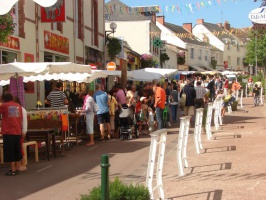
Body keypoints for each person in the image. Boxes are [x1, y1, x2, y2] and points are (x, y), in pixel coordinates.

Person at [0, 92, 23, 176]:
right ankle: (17, 168)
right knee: (17, 150)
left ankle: (12, 169)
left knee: (10, 151)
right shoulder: (18, 106)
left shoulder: (4, 106)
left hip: (9, 132)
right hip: (17, 131)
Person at [13, 96, 28, 172]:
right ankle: (18, 164)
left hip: (20, 131)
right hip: (16, 131)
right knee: (18, 147)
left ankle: (23, 164)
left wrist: (24, 131)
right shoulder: (14, 109)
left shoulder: (22, 109)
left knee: (20, 147)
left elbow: (24, 121)